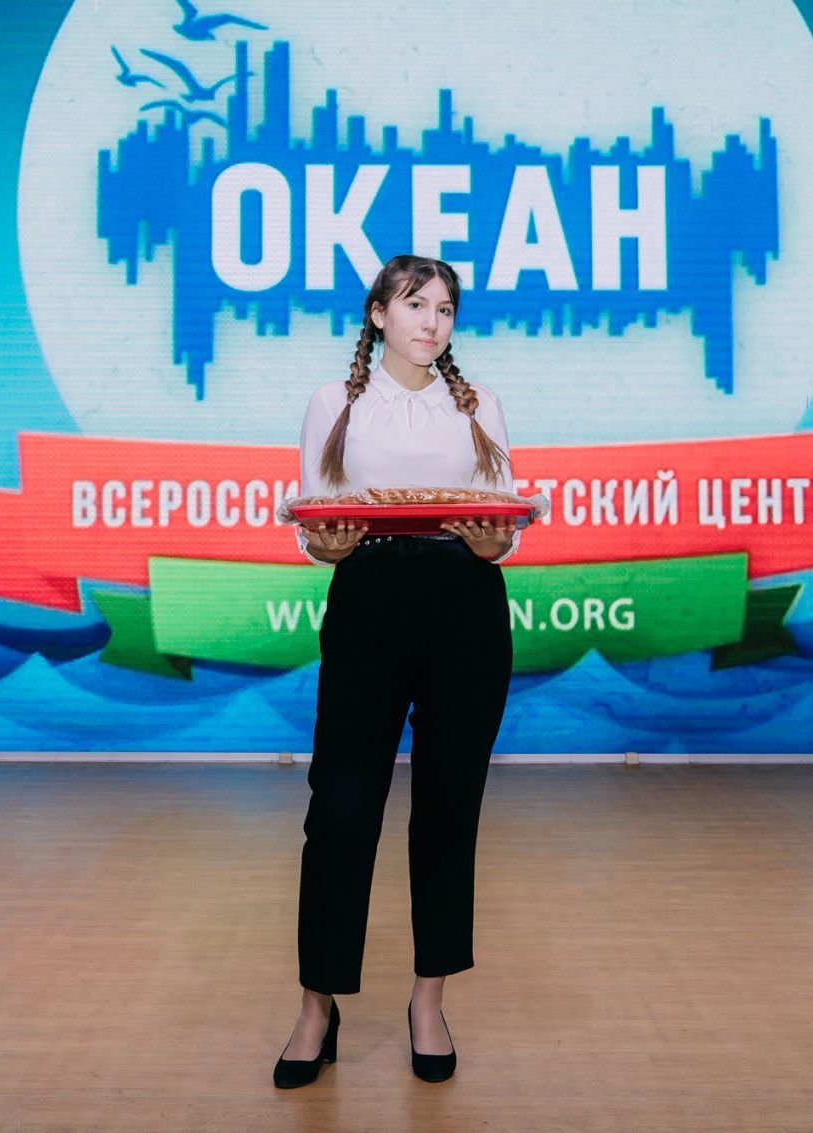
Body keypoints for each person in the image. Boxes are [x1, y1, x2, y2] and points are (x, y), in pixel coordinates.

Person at [273, 254, 520, 1088]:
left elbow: (502, 527)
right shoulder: (334, 403)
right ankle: (317, 1008)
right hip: (369, 604)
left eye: (445, 309)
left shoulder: (479, 405)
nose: (432, 322)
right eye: (416, 305)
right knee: (340, 812)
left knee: (448, 813)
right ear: (378, 313)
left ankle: (429, 1001)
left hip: (466, 609)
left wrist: (494, 541)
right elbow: (315, 528)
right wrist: (326, 544)